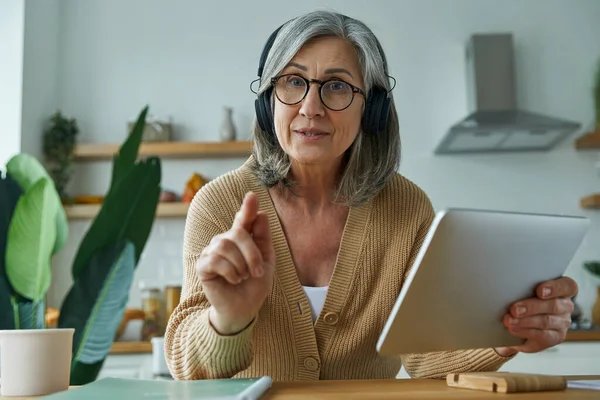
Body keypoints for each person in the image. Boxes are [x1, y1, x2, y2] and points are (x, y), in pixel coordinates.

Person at [164, 10, 578, 381]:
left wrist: (505, 335)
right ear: (267, 100)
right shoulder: (218, 204)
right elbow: (185, 367)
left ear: (373, 108)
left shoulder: (407, 208)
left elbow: (423, 353)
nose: (311, 107)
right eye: (293, 81)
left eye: (337, 87)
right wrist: (228, 319)